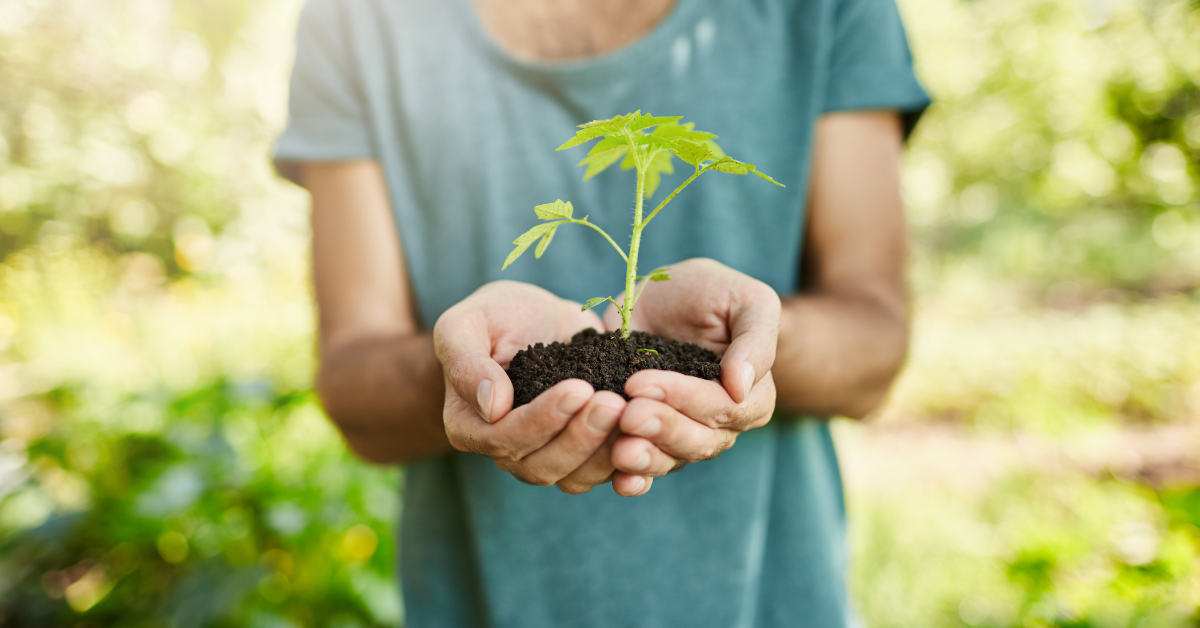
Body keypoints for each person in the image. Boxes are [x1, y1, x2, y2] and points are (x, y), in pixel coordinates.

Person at [274, 0, 928, 625]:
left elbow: (874, 339)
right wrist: (475, 370)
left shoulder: (825, 7)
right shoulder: (358, 17)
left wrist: (747, 348)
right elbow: (353, 386)